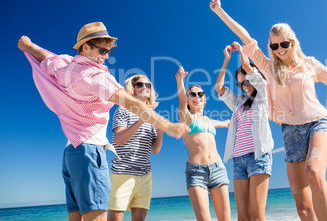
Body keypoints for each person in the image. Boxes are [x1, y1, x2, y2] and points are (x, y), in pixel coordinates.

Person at [210, 0, 327, 221]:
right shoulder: (268, 68)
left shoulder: (310, 64)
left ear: (292, 42)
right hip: (290, 134)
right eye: (274, 45)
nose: (279, 49)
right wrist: (220, 12)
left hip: (318, 123)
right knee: (302, 208)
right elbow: (246, 38)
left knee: (314, 171)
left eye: (284, 44)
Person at [18, 22, 188, 221]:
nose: (106, 56)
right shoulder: (95, 78)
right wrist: (168, 126)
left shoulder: (64, 65)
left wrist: (28, 45)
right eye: (102, 51)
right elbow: (131, 103)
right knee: (96, 216)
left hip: (71, 153)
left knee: (77, 218)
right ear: (86, 47)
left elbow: (43, 55)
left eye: (108, 51)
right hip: (89, 151)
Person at [215, 41, 274, 221]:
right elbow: (219, 88)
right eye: (241, 84)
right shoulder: (239, 101)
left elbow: (248, 67)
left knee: (256, 217)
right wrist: (226, 60)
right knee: (242, 217)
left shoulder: (263, 93)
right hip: (238, 160)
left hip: (257, 157)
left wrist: (241, 51)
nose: (245, 86)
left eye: (247, 81)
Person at [176, 66, 231, 221]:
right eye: (192, 94)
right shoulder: (186, 118)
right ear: (188, 99)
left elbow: (225, 123)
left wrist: (230, 121)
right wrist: (180, 81)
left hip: (218, 169)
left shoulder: (209, 121)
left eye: (200, 94)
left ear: (205, 99)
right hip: (196, 172)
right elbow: (180, 100)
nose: (197, 96)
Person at [108, 75, 163, 221]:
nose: (145, 87)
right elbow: (118, 140)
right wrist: (141, 120)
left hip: (145, 176)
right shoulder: (123, 110)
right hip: (122, 174)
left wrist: (161, 131)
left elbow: (155, 149)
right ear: (132, 88)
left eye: (148, 85)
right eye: (140, 84)